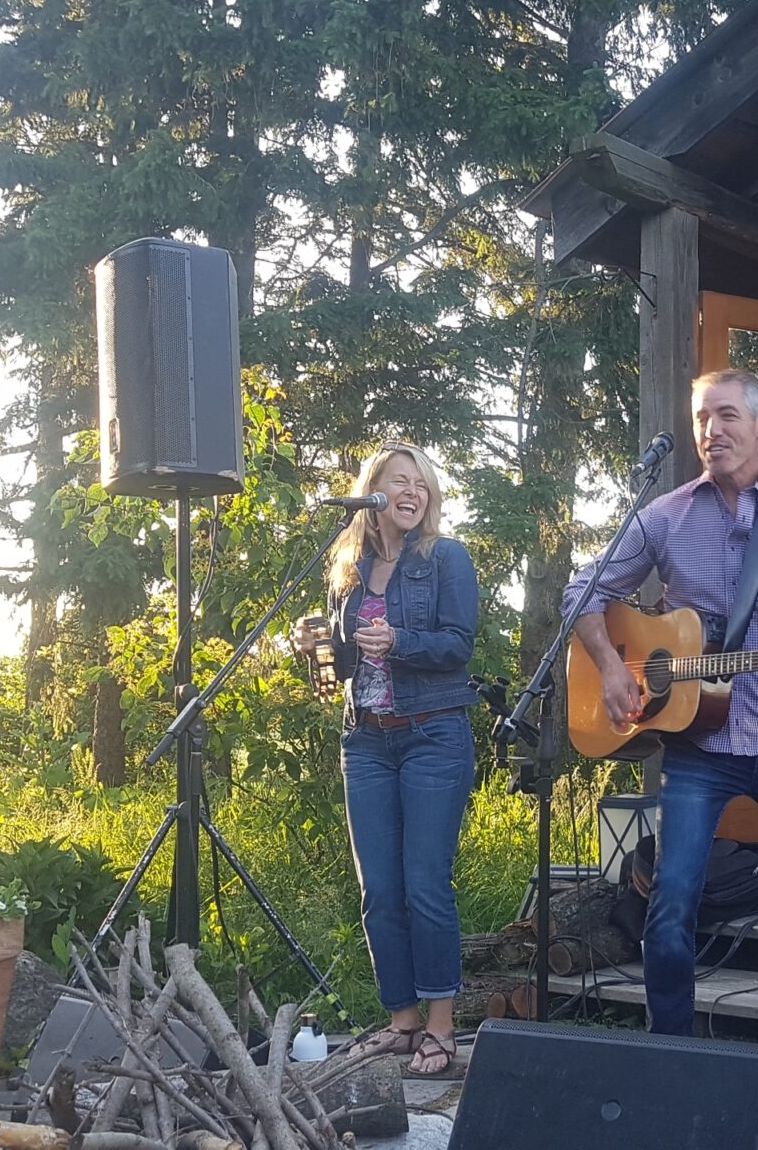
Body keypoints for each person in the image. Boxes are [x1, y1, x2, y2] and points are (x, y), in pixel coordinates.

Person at [562, 368, 758, 1083]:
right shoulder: (667, 515)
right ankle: (669, 1048)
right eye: (704, 417)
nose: (714, 430)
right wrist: (613, 666)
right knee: (672, 897)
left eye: (729, 416)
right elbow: (583, 589)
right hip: (700, 744)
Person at [307, 443, 479, 1078]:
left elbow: (460, 646)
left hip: (433, 733)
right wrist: (318, 649)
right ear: (371, 494)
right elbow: (342, 672)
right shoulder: (348, 572)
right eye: (397, 483)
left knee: (424, 886)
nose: (412, 492)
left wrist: (401, 641)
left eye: (421, 484)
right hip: (367, 741)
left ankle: (442, 1027)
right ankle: (401, 1021)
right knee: (379, 891)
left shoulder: (445, 559)